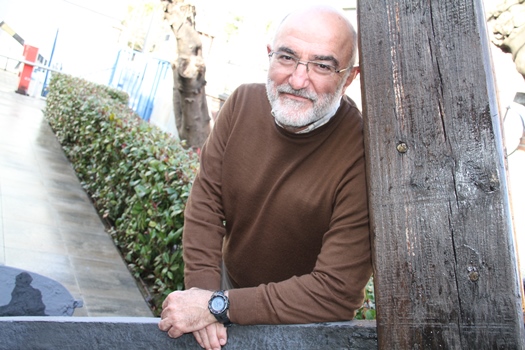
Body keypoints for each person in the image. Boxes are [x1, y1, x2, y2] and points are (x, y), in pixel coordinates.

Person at [159, 4, 373, 349]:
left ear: (349, 77)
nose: (298, 79)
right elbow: (206, 205)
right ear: (270, 55)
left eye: (322, 65)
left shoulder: (363, 153)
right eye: (287, 58)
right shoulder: (242, 102)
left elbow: (335, 292)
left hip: (306, 320)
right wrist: (201, 294)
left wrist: (219, 307)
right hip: (228, 285)